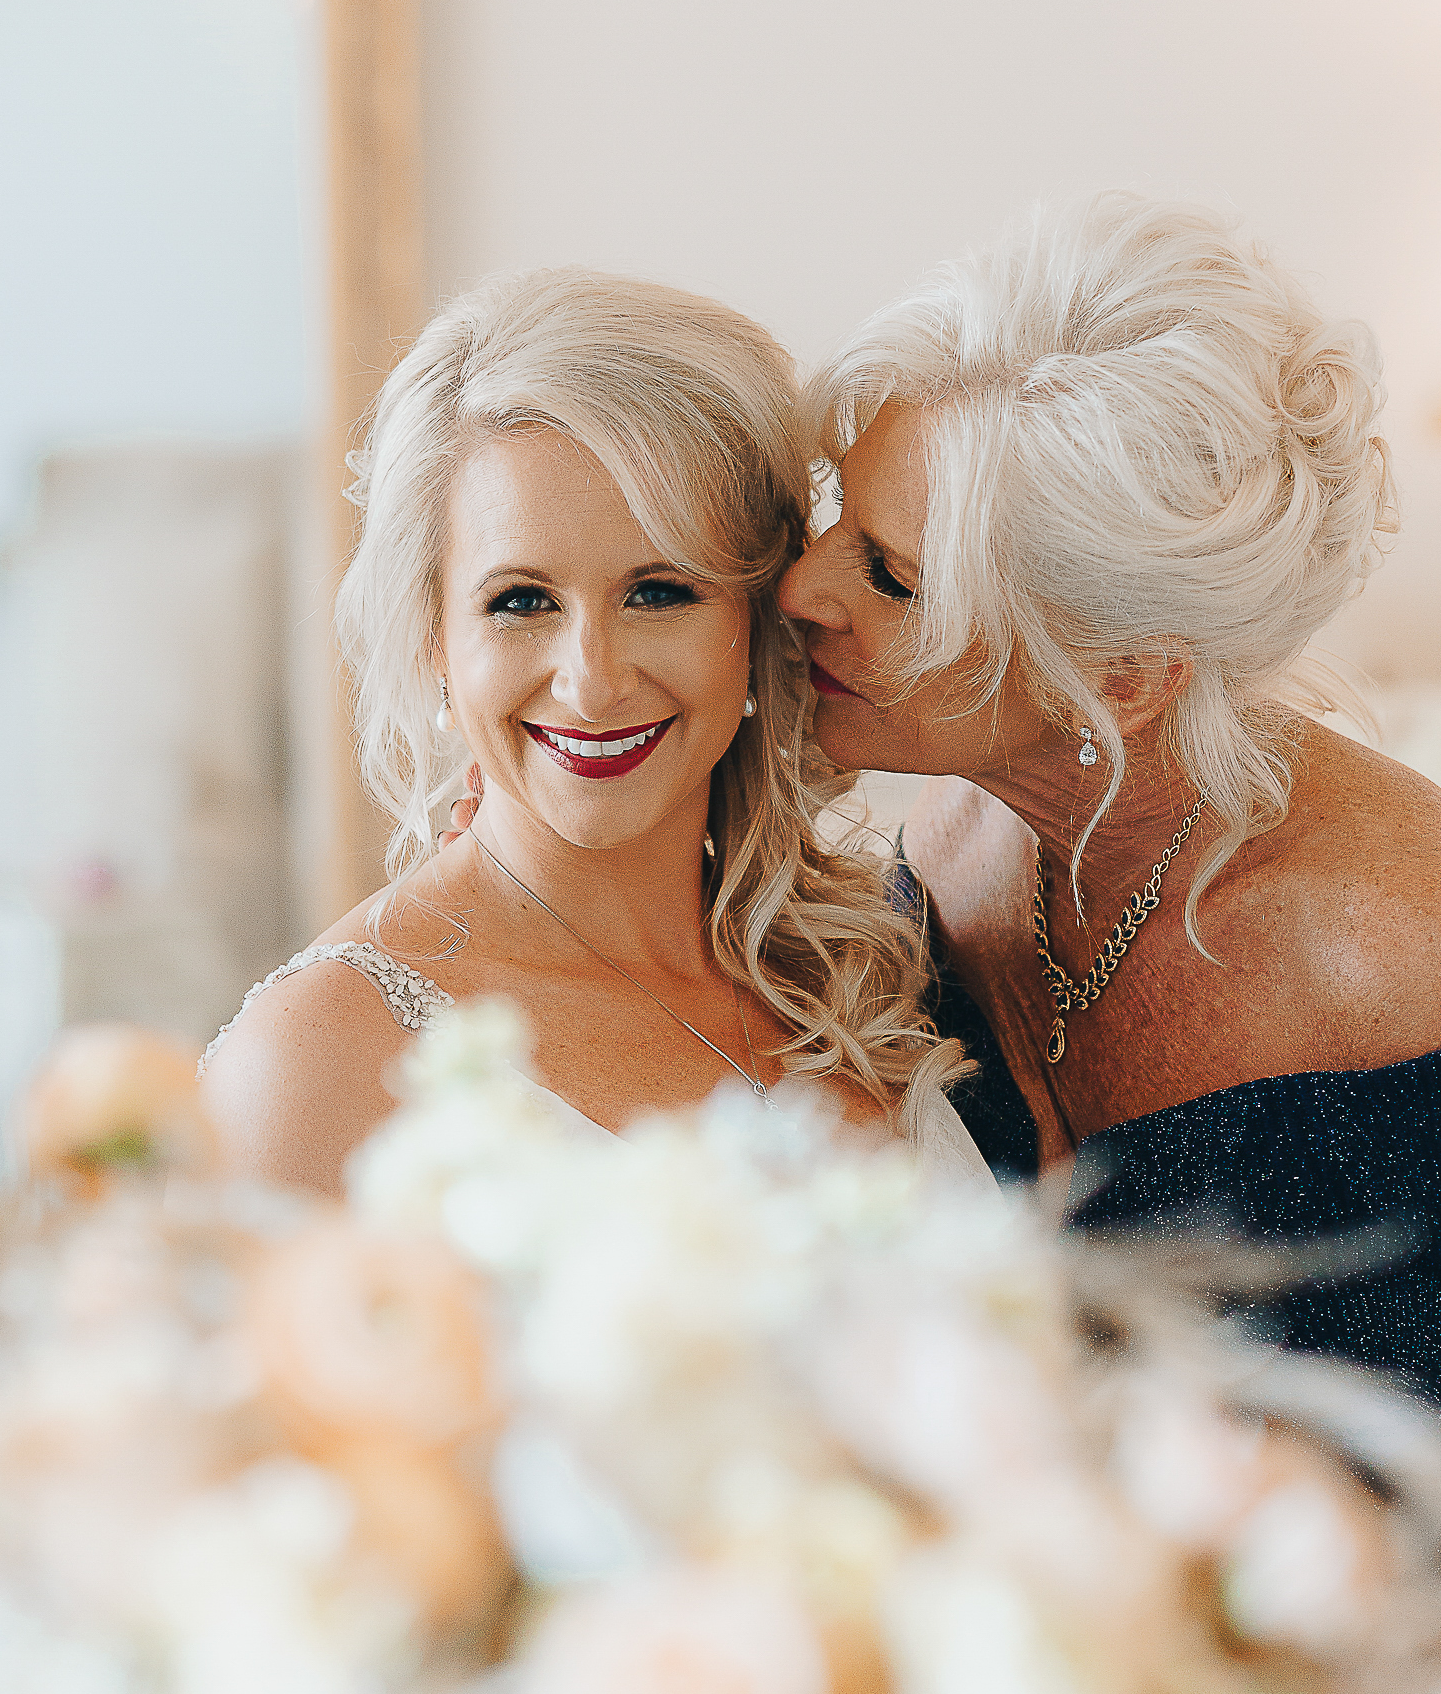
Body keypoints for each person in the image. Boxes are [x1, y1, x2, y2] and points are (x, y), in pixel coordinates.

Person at [778, 193, 1441, 1529]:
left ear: (1122, 678)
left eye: (894, 575)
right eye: (840, 518)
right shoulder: (941, 848)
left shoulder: (1399, 947)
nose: (804, 589)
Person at [203, 267, 978, 1191]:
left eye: (659, 592)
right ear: (433, 638)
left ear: (756, 619)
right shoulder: (317, 1057)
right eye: (520, 601)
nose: (593, 680)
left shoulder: (877, 966)